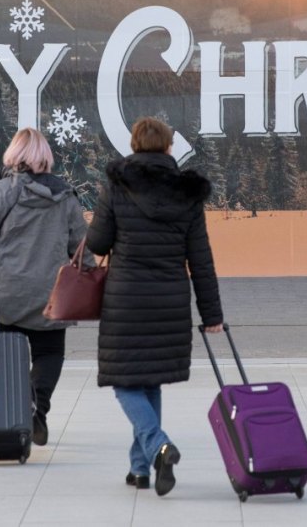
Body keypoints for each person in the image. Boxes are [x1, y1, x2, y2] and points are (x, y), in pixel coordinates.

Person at [86, 116, 223, 496]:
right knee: (148, 380)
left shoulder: (116, 186)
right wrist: (212, 314)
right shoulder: (187, 193)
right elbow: (201, 258)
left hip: (127, 298)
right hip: (169, 299)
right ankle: (140, 469)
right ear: (167, 148)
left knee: (123, 381)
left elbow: (97, 244)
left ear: (133, 145)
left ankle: (158, 445)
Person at [0, 127, 88, 447]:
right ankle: (38, 407)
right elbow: (82, 249)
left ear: (14, 155)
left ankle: (14, 417)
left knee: (7, 359)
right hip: (53, 294)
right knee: (49, 353)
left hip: (6, 295)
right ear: (45, 158)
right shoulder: (66, 196)